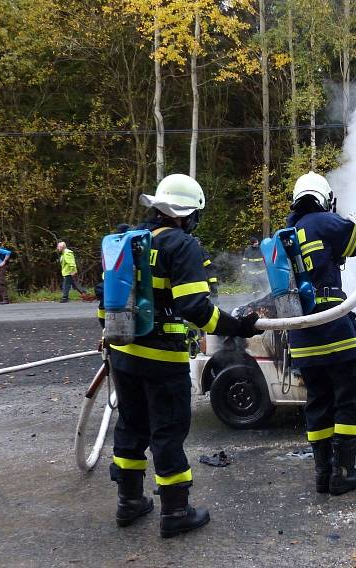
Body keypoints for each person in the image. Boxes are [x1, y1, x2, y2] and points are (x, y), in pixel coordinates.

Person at [103, 174, 261, 538]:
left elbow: (107, 299)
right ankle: (175, 512)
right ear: (186, 214)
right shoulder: (181, 244)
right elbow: (195, 308)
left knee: (131, 425)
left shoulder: (128, 242)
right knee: (168, 432)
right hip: (162, 359)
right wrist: (239, 326)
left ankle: (129, 503)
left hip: (123, 354)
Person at [285, 171, 356, 496]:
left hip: (301, 334)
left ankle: (322, 474)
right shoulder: (324, 222)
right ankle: (344, 472)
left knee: (318, 402)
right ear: (326, 199)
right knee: (348, 398)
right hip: (333, 327)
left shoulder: (286, 233)